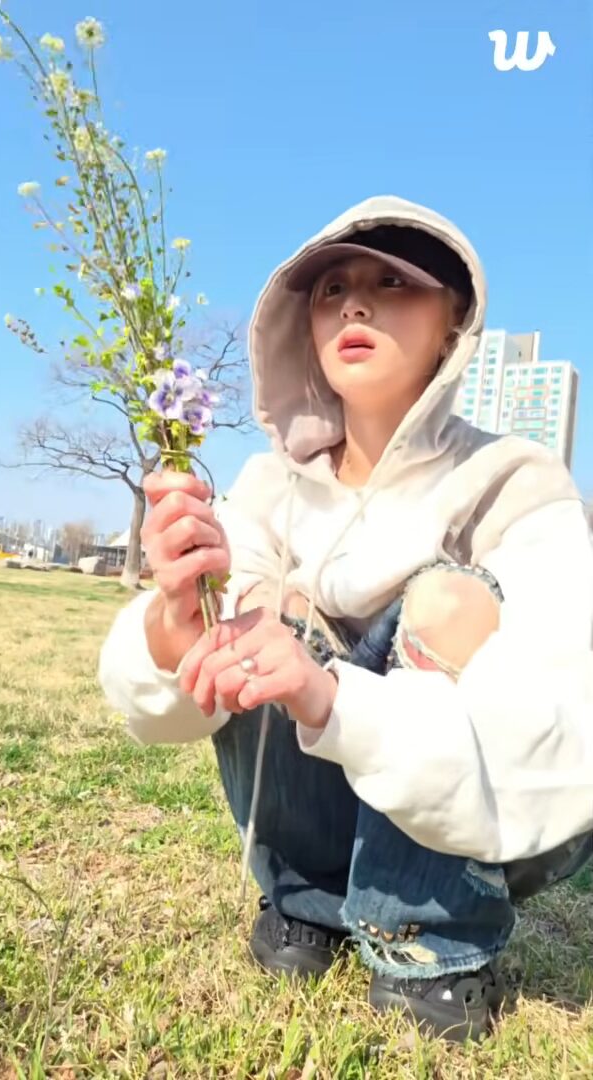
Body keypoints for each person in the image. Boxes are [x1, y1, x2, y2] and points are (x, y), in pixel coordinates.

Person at [99, 195, 593, 1042]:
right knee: (259, 613)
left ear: (453, 324)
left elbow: (556, 710)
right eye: (332, 289)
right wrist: (181, 619)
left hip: (482, 818)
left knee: (449, 597)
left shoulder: (515, 479)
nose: (355, 305)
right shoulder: (261, 490)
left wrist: (332, 696)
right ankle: (310, 901)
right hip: (317, 816)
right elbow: (175, 702)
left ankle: (428, 933)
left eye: (393, 283)